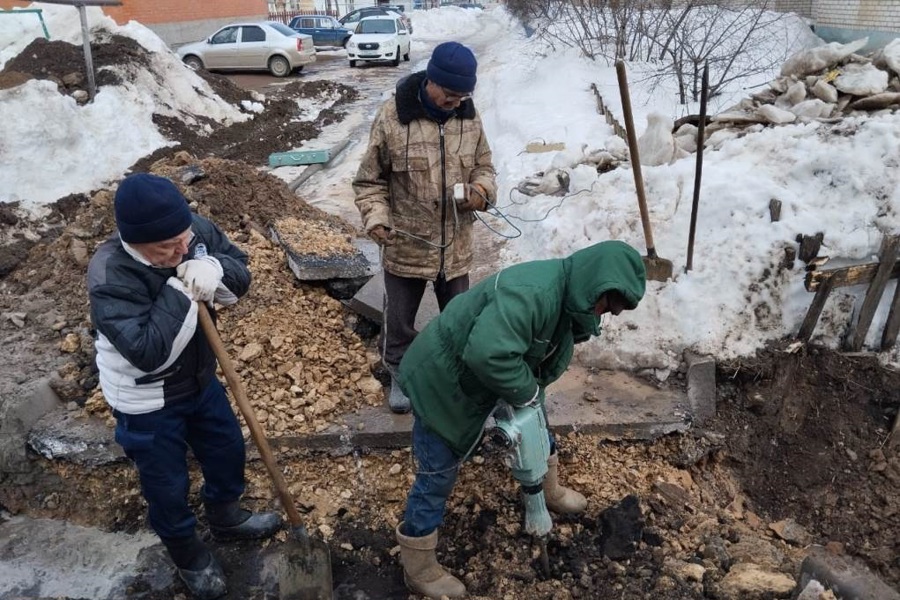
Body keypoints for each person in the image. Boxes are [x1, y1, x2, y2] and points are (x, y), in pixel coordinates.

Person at [393, 240, 647, 599]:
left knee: (537, 427)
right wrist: (526, 392)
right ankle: (418, 567)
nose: (605, 313)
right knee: (437, 470)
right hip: (444, 381)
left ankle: (547, 489)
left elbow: (533, 361)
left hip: (494, 378)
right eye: (607, 303)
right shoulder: (534, 293)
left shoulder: (570, 301)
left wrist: (529, 398)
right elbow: (487, 353)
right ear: (595, 283)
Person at [87, 173, 282, 600]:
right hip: (146, 396)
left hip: (199, 378)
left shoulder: (191, 232)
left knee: (226, 447)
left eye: (184, 241)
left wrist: (212, 265)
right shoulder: (109, 275)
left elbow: (239, 267)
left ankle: (226, 514)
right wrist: (180, 285)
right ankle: (187, 553)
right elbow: (149, 351)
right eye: (165, 249)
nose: (180, 251)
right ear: (134, 242)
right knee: (167, 484)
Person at [353, 40, 498, 414]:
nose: (456, 102)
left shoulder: (469, 118)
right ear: (431, 81)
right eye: (450, 94)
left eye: (463, 95)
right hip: (405, 244)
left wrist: (481, 191)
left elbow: (484, 166)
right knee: (399, 320)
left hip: (456, 244)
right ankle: (399, 370)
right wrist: (377, 218)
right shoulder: (392, 119)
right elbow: (369, 182)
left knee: (460, 319)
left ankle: (455, 373)